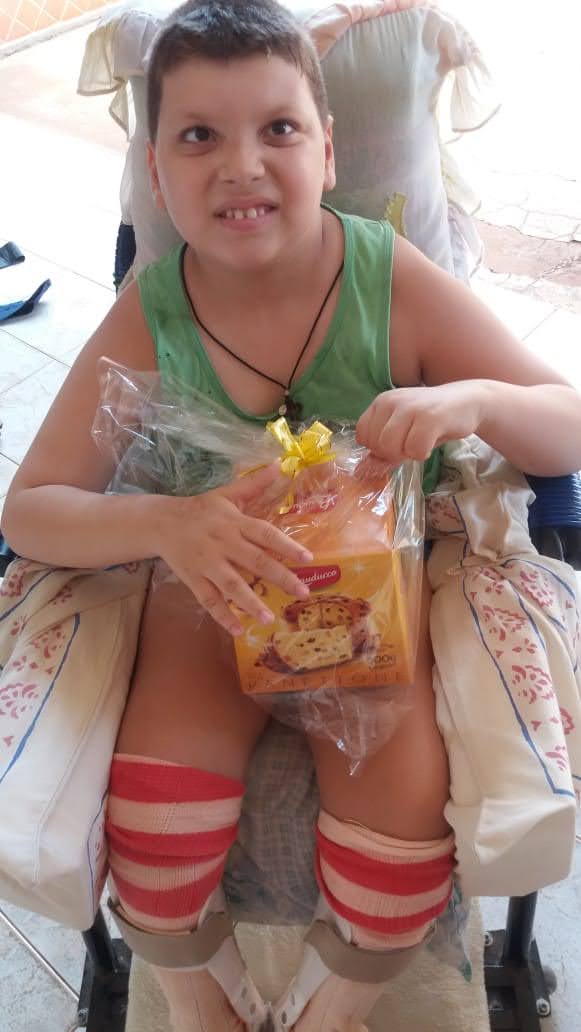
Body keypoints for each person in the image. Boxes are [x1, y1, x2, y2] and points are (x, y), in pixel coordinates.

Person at [3, 1, 581, 1029]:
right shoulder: (153, 308)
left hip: (378, 613)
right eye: (199, 136)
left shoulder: (386, 278)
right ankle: (198, 997)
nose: (241, 165)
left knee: (403, 825)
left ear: (327, 149)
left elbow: (566, 426)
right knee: (152, 821)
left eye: (277, 128)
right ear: (154, 172)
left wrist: (473, 400)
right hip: (210, 598)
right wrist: (166, 524)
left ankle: (334, 1008)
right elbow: (33, 509)